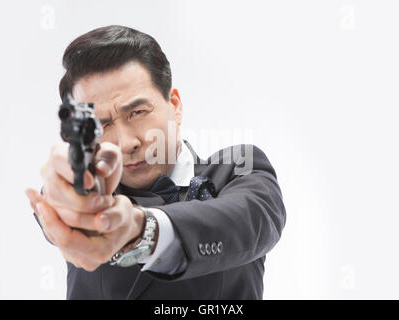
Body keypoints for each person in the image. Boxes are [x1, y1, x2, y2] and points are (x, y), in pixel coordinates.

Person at [25, 25, 286, 300]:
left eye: (137, 112)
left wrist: (140, 229)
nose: (126, 143)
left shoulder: (238, 167)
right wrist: (66, 196)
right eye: (101, 125)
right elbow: (69, 206)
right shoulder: (91, 194)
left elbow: (251, 220)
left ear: (175, 105)